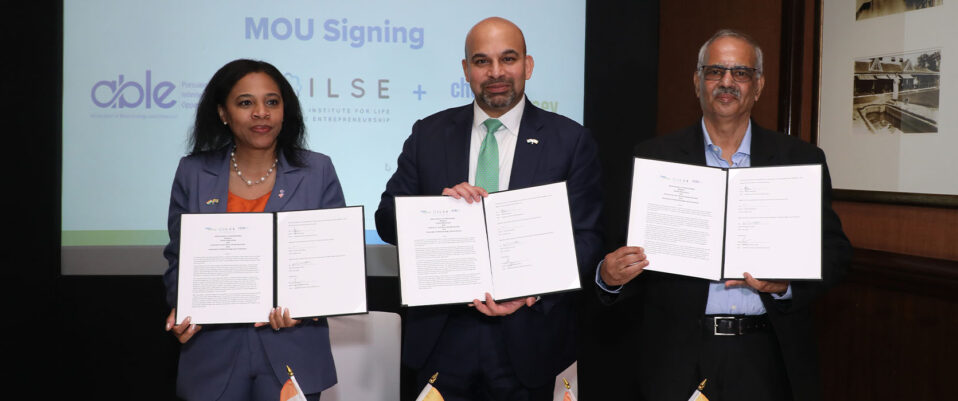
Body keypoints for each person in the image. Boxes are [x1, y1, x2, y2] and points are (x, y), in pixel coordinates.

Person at [596, 29, 852, 401]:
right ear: (697, 81)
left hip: (768, 355)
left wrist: (786, 286)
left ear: (758, 85)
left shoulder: (800, 159)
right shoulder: (653, 158)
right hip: (677, 359)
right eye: (715, 71)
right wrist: (609, 277)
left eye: (741, 73)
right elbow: (620, 250)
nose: (727, 82)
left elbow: (836, 254)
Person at [374, 17, 602, 401]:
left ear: (527, 65)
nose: (496, 72)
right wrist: (435, 212)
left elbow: (588, 239)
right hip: (443, 338)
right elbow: (386, 219)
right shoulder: (428, 134)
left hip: (527, 338)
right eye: (482, 61)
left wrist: (531, 292)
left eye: (508, 59)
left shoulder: (570, 140)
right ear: (466, 70)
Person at [163, 59, 344, 400]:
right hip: (212, 353)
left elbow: (330, 266)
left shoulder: (317, 170)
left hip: (293, 351)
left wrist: (304, 310)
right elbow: (177, 257)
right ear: (223, 113)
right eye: (246, 103)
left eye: (272, 102)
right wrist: (183, 305)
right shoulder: (193, 172)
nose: (261, 113)